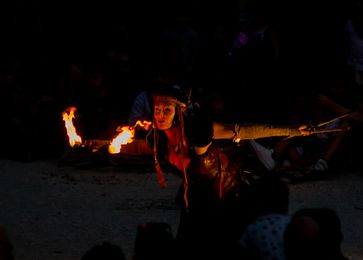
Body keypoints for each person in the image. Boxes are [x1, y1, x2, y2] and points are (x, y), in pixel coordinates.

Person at [115, 84, 311, 259]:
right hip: (195, 195)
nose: (160, 115)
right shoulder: (159, 137)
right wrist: (101, 145)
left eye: (167, 110)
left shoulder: (198, 129)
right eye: (157, 109)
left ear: (179, 112)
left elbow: (246, 129)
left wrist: (293, 130)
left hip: (226, 196)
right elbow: (140, 147)